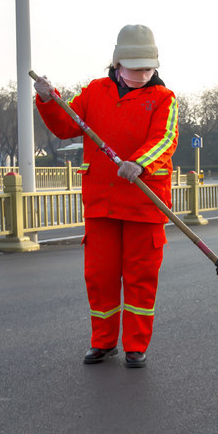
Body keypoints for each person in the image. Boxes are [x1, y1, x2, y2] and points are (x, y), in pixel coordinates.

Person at [33, 25, 178, 369]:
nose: (141, 75)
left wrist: (139, 163)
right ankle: (103, 341)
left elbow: (165, 138)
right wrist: (47, 98)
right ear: (116, 64)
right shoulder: (95, 92)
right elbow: (67, 125)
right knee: (100, 276)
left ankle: (135, 345)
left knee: (141, 277)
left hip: (144, 203)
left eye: (147, 68)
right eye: (134, 68)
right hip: (101, 203)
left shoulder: (164, 98)